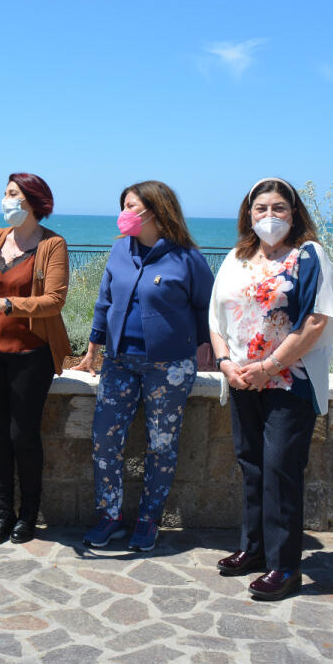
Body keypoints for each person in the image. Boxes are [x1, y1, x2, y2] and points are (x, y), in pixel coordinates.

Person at [209, 177, 333, 600]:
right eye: (260, 208)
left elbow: (316, 321)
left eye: (278, 208)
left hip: (289, 382)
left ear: (294, 212)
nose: (269, 216)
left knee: (281, 469)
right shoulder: (236, 256)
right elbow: (215, 318)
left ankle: (285, 567)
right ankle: (254, 549)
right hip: (243, 380)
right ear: (248, 215)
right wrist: (227, 363)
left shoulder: (308, 255)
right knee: (251, 464)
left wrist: (269, 366)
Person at [74, 181, 214, 553]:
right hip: (119, 362)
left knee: (161, 445)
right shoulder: (121, 250)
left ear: (153, 210)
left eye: (130, 204)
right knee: (105, 440)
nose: (124, 211)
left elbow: (207, 308)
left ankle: (149, 520)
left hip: (169, 368)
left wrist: (205, 352)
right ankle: (110, 515)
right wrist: (92, 350)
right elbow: (104, 302)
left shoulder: (187, 258)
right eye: (123, 204)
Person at [0, 173, 71, 546]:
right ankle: (3, 514)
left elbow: (54, 300)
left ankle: (28, 515)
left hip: (31, 355)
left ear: (32, 202)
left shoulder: (53, 245)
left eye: (12, 194)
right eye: (6, 193)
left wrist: (2, 304)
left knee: (22, 435)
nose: (6, 200)